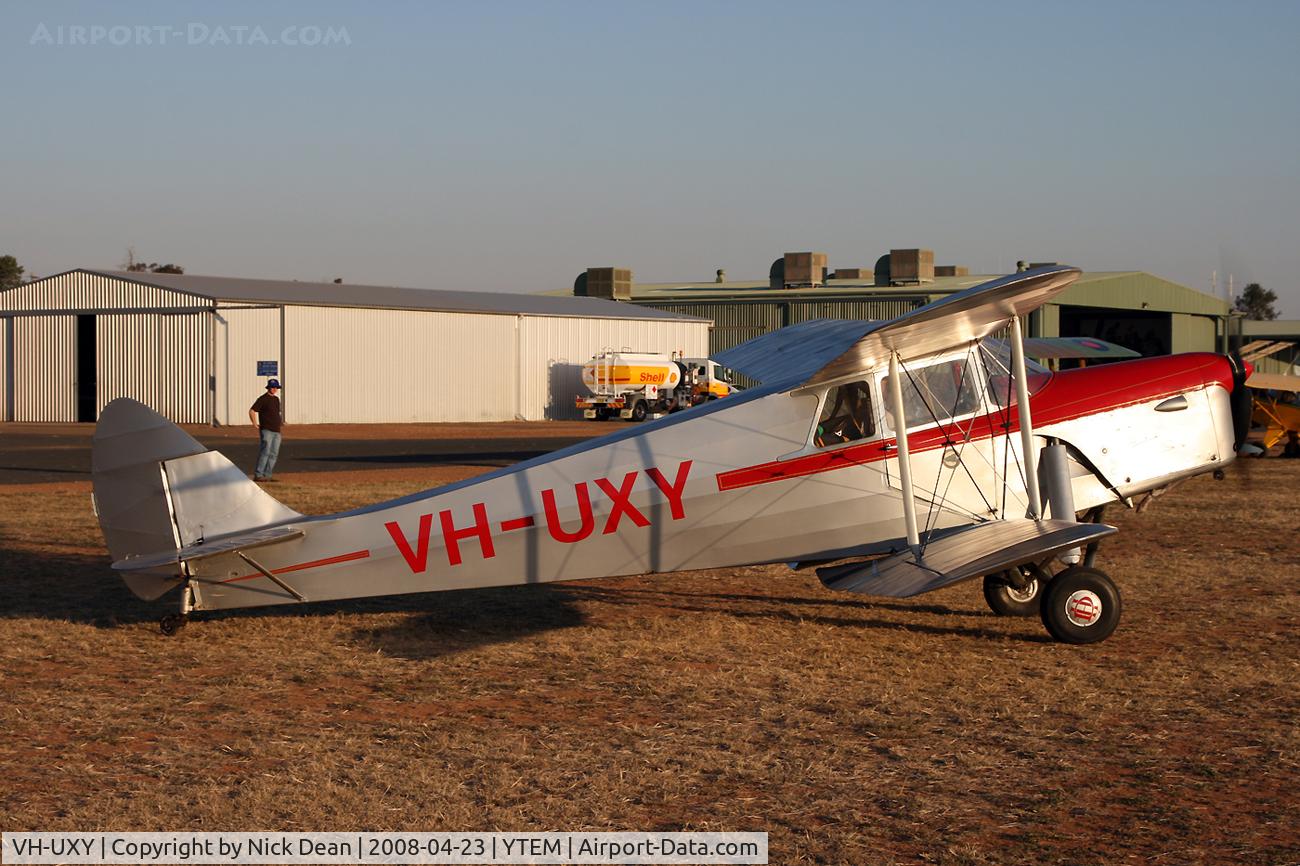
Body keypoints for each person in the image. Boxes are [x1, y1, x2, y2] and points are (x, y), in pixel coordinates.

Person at [249, 379, 284, 482]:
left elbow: (277, 413)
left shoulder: (276, 400)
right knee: (265, 452)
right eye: (272, 387)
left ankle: (268, 475)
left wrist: (280, 423)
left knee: (274, 453)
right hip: (266, 430)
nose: (274, 389)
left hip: (276, 430)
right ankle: (258, 475)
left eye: (276, 387)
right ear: (268, 387)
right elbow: (252, 411)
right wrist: (254, 423)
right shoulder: (263, 399)